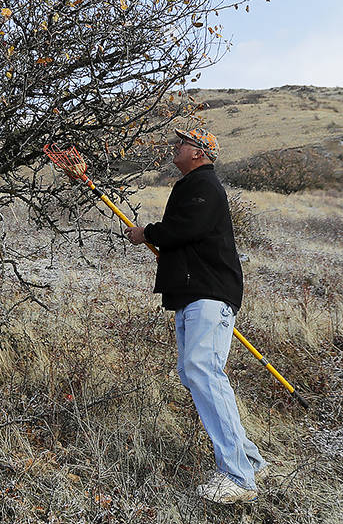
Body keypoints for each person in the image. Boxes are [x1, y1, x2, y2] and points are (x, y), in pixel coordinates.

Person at [124, 128, 269, 504]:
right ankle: (249, 458)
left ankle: (238, 476)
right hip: (194, 293)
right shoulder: (192, 183)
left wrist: (147, 233)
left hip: (209, 293)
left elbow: (187, 228)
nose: (176, 147)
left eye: (183, 142)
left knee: (202, 369)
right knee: (193, 370)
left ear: (200, 152)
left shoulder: (204, 184)